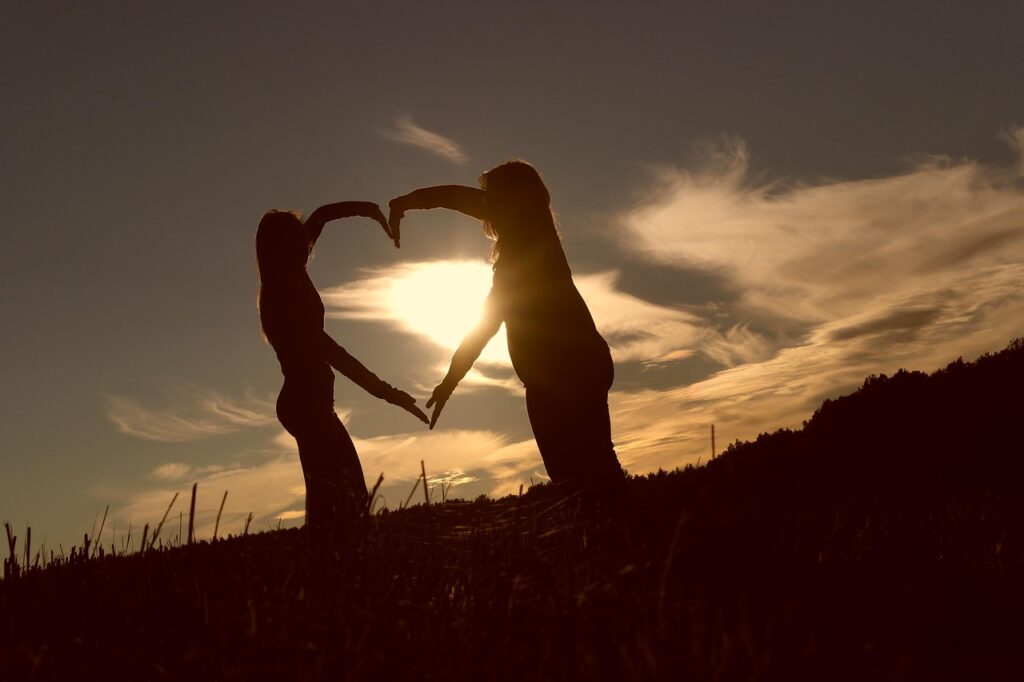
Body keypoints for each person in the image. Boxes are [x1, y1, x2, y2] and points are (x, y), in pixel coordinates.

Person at [387, 161, 627, 510]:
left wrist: (405, 202)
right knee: (596, 470)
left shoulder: (532, 242)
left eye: (493, 196)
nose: (486, 204)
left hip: (559, 374)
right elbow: (485, 326)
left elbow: (454, 197)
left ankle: (616, 534)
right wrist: (449, 382)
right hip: (580, 366)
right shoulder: (528, 248)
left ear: (513, 200)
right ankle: (625, 534)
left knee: (578, 480)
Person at [256, 203, 427, 530]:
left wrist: (370, 210)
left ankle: (327, 552)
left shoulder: (293, 272)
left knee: (339, 495)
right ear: (281, 248)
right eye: (297, 240)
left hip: (313, 405)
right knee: (340, 496)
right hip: (306, 406)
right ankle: (326, 555)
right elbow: (334, 353)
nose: (307, 245)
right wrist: (387, 392)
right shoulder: (284, 297)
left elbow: (321, 215)